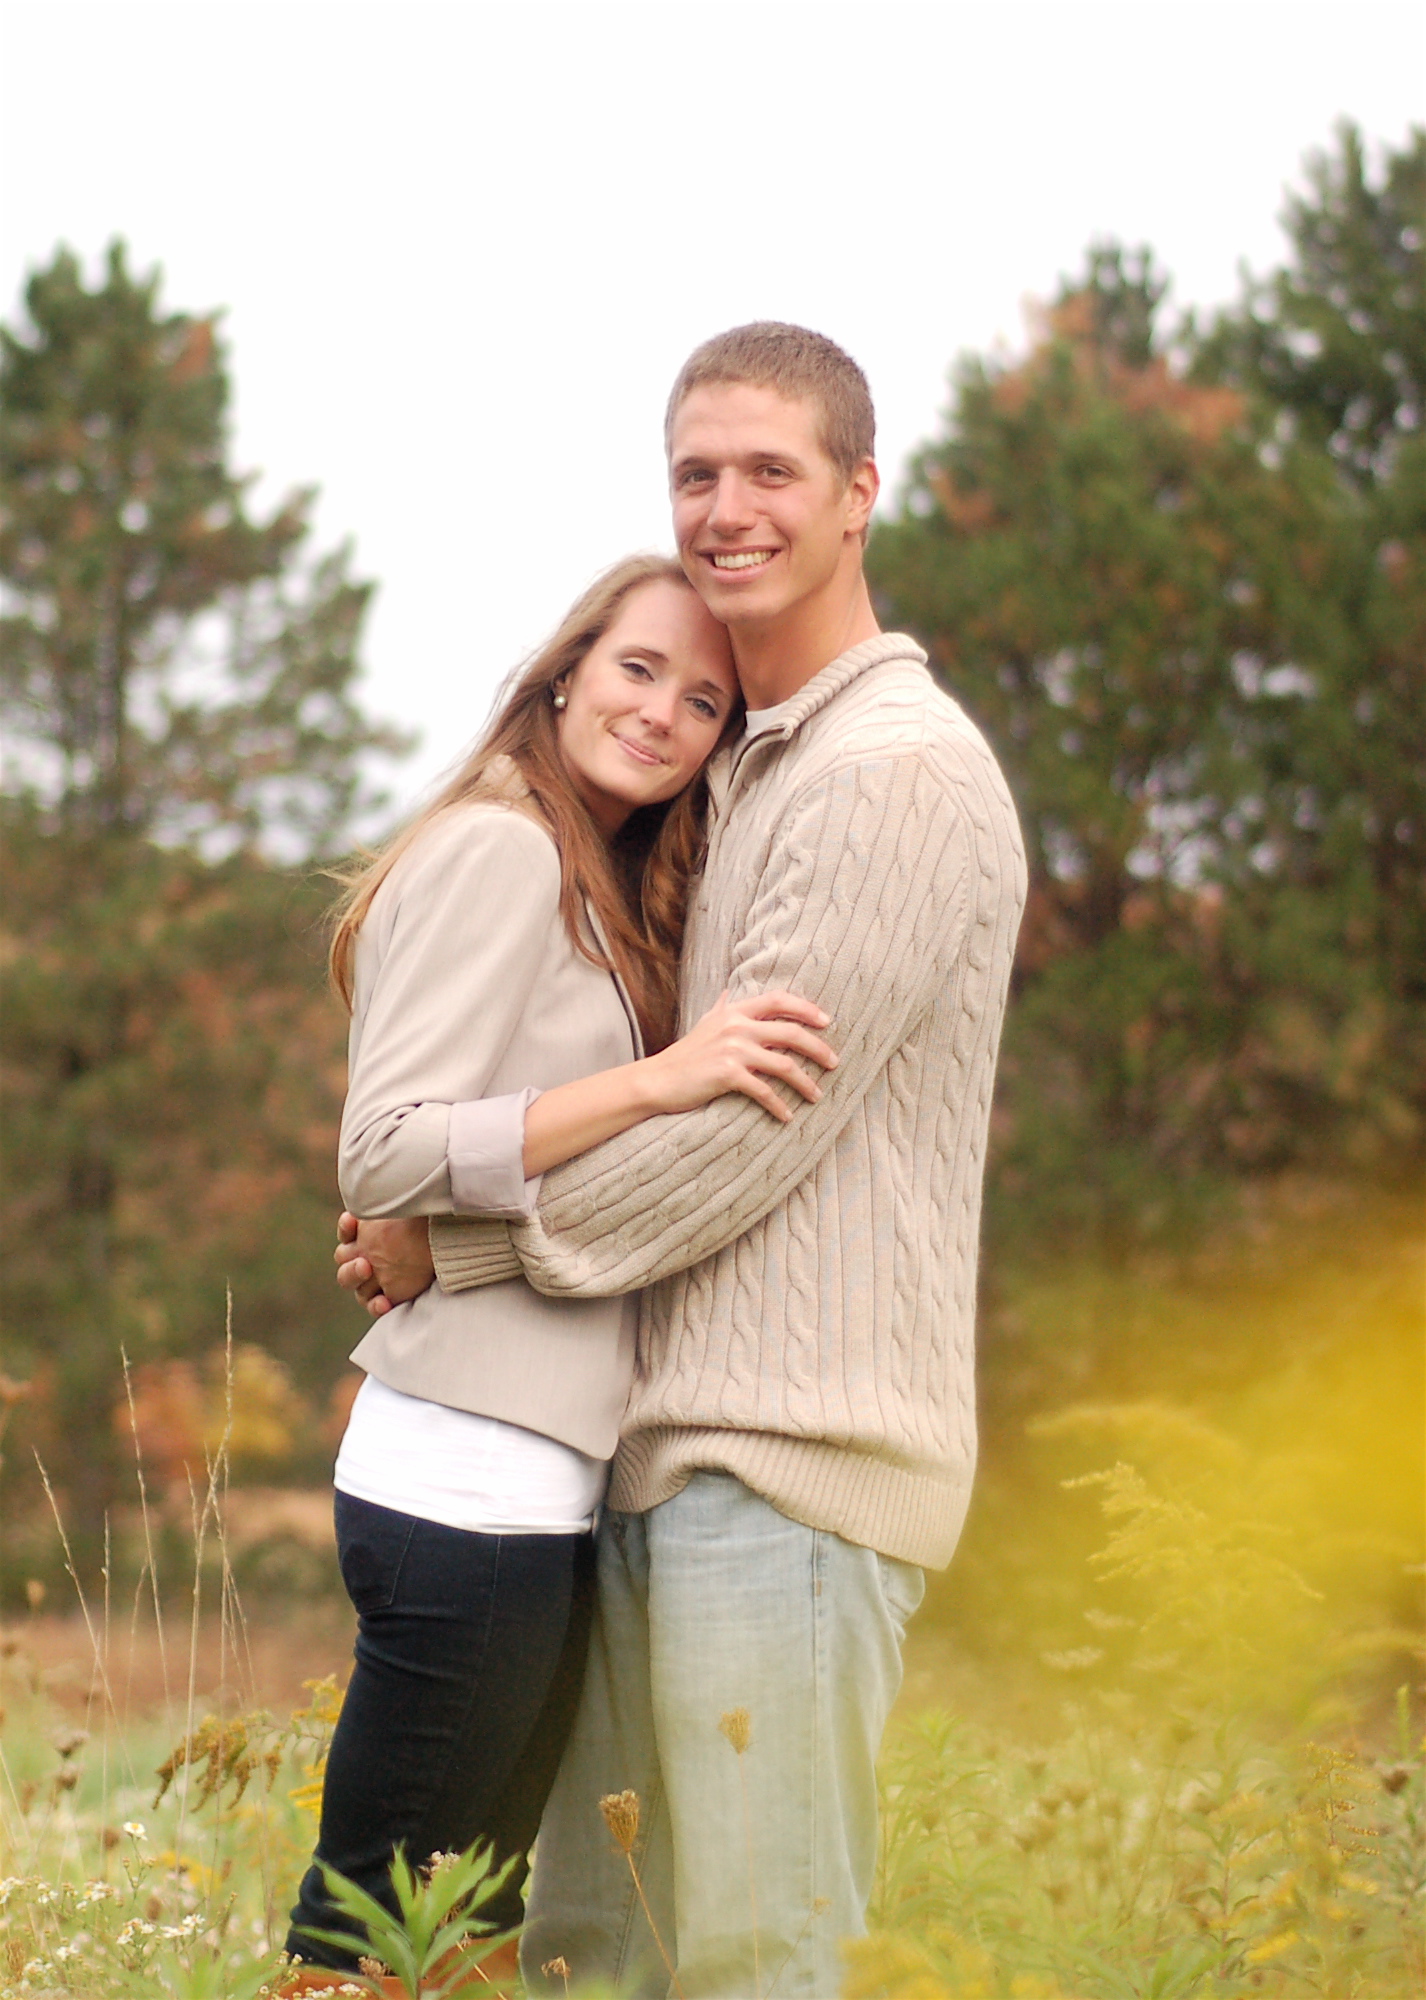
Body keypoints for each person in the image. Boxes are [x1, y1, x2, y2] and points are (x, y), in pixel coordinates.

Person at [339, 323, 1026, 2000]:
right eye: (695, 473)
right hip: (646, 1462)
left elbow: (731, 1138)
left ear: (859, 493)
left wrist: (456, 1245)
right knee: (593, 1957)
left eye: (770, 470)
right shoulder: (749, 774)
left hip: (791, 1466)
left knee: (749, 1961)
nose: (727, 508)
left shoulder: (891, 774)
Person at [281, 552, 837, 1997]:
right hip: (462, 1479)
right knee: (373, 1928)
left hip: (526, 1482)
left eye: (702, 701)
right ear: (566, 671)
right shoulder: (504, 847)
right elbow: (385, 1150)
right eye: (637, 669)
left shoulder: (597, 875)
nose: (661, 714)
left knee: (462, 1927)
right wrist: (664, 1079)